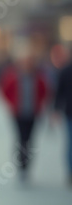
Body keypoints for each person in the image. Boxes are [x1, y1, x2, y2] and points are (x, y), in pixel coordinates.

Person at [0, 53, 49, 181]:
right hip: (18, 113)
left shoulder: (37, 77)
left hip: (32, 113)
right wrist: (11, 104)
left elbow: (45, 91)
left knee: (29, 139)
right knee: (21, 139)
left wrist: (40, 104)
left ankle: (27, 165)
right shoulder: (14, 76)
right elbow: (4, 90)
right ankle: (21, 164)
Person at [54, 54, 72, 187]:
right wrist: (56, 109)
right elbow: (59, 92)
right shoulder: (66, 71)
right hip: (70, 113)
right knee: (70, 143)